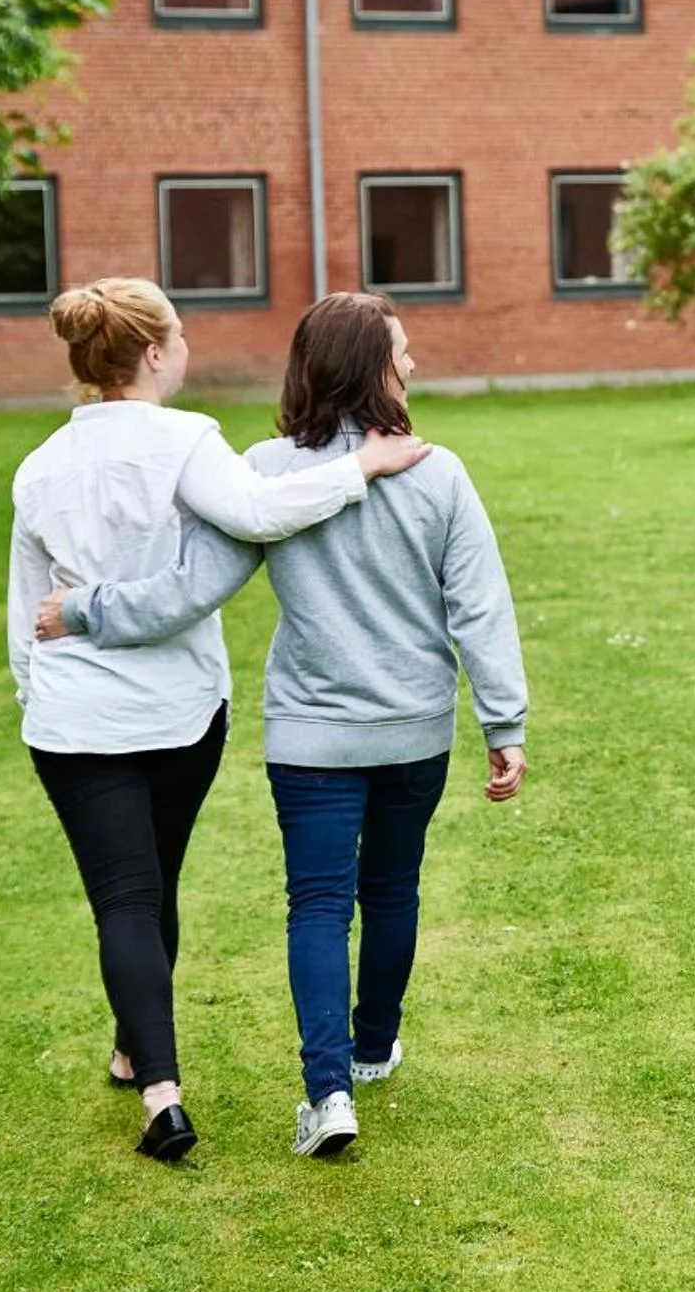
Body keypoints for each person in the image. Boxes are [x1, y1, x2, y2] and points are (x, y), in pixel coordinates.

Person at [40, 291, 529, 1159]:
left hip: (311, 740)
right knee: (391, 892)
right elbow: (480, 609)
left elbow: (189, 590)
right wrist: (504, 722)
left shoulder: (264, 471)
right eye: (402, 352)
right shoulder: (436, 471)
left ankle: (328, 1094)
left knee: (317, 906)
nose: (413, 365)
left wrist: (84, 610)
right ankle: (373, 1047)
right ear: (369, 369)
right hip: (413, 730)